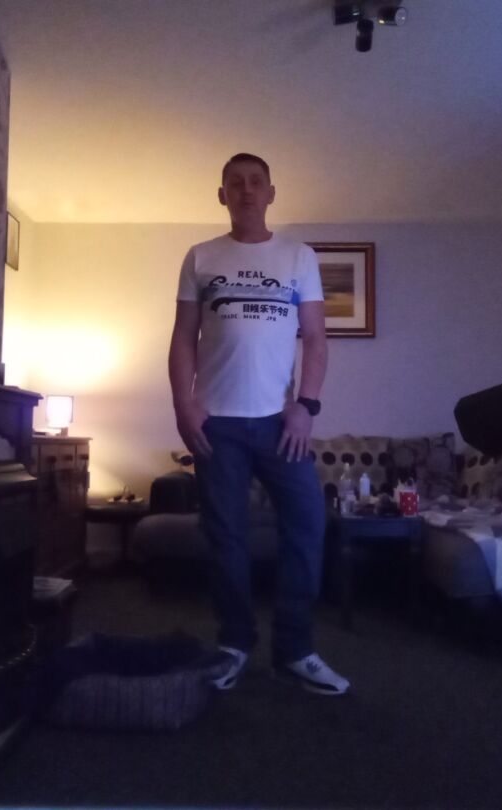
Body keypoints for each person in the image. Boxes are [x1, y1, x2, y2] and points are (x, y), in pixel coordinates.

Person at [168, 153, 350, 696]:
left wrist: (306, 406)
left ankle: (294, 650)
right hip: (215, 424)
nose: (246, 190)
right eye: (235, 183)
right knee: (225, 536)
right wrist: (183, 404)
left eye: (256, 182)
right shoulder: (200, 256)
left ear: (271, 192)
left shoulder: (299, 257)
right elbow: (183, 337)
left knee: (308, 523)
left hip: (280, 424)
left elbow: (315, 338)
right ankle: (234, 644)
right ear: (221, 195)